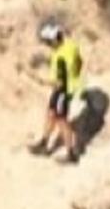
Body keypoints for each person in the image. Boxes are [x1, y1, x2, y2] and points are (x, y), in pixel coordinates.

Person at [29, 22, 84, 165]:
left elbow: (58, 83)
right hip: (68, 88)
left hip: (62, 92)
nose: (47, 45)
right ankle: (44, 142)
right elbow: (79, 62)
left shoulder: (60, 57)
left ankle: (71, 154)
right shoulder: (71, 45)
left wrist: (39, 80)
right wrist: (75, 76)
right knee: (50, 113)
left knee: (62, 120)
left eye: (47, 42)